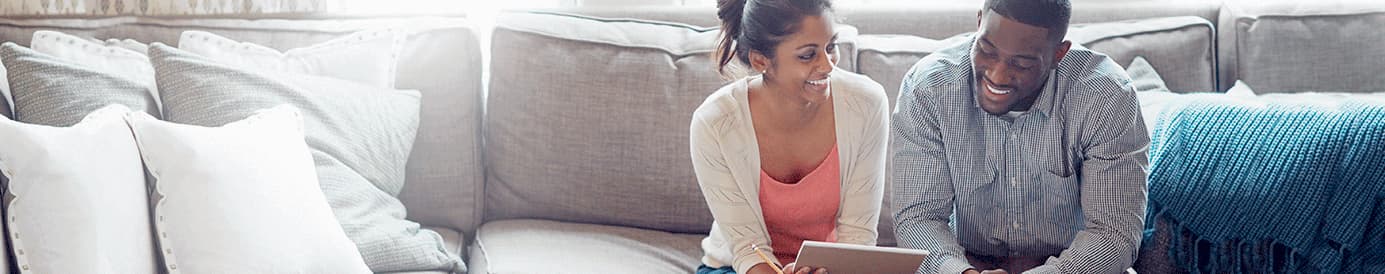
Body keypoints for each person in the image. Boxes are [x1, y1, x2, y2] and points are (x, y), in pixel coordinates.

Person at [890, 0, 1150, 273]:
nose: (997, 76)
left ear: (1058, 54)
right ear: (979, 23)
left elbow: (1114, 234)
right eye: (986, 50)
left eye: (1022, 63)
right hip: (966, 265)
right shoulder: (929, 88)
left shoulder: (1106, 97)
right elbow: (918, 218)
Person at [690, 0, 890, 273]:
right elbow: (747, 247)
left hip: (827, 269)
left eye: (831, 47)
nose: (828, 66)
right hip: (741, 268)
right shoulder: (715, 123)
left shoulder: (866, 103)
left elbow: (858, 236)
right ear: (761, 61)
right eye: (808, 55)